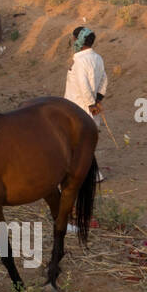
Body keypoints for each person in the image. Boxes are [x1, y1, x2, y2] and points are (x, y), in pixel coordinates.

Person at [63, 27, 108, 182]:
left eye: (74, 38)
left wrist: (91, 104)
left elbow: (84, 86)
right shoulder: (98, 58)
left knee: (79, 142)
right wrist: (98, 100)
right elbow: (104, 80)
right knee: (84, 142)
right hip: (89, 106)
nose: (73, 41)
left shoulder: (80, 61)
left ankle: (91, 174)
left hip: (79, 108)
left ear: (79, 41)